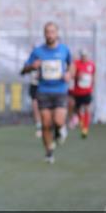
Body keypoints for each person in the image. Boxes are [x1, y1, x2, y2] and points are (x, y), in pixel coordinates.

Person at [22, 22, 74, 164]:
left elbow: (72, 65)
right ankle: (49, 152)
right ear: (44, 34)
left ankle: (59, 130)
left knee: (58, 121)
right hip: (43, 91)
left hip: (60, 90)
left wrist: (69, 74)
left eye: (52, 32)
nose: (50, 35)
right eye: (47, 32)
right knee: (45, 124)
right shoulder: (38, 52)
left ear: (57, 34)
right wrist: (32, 66)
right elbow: (23, 70)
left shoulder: (64, 50)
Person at [70, 49, 96, 138]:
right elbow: (72, 75)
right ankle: (80, 121)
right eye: (83, 56)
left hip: (87, 91)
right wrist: (77, 76)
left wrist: (93, 85)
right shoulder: (76, 63)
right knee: (77, 109)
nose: (84, 57)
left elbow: (93, 75)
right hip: (78, 91)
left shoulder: (91, 64)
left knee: (87, 108)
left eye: (86, 56)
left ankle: (85, 128)